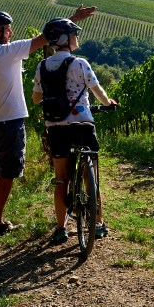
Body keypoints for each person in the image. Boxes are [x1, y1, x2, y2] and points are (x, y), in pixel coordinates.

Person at [0, 5, 95, 237]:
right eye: (8, 29)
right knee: (7, 173)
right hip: (10, 123)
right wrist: (75, 18)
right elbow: (48, 36)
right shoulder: (9, 51)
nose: (11, 33)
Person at [32, 18, 116, 244]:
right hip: (82, 125)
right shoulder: (80, 63)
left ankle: (61, 228)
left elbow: (36, 98)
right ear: (64, 39)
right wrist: (108, 103)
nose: (77, 37)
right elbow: (98, 91)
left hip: (56, 127)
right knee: (93, 177)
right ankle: (97, 224)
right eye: (73, 34)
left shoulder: (42, 66)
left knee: (61, 178)